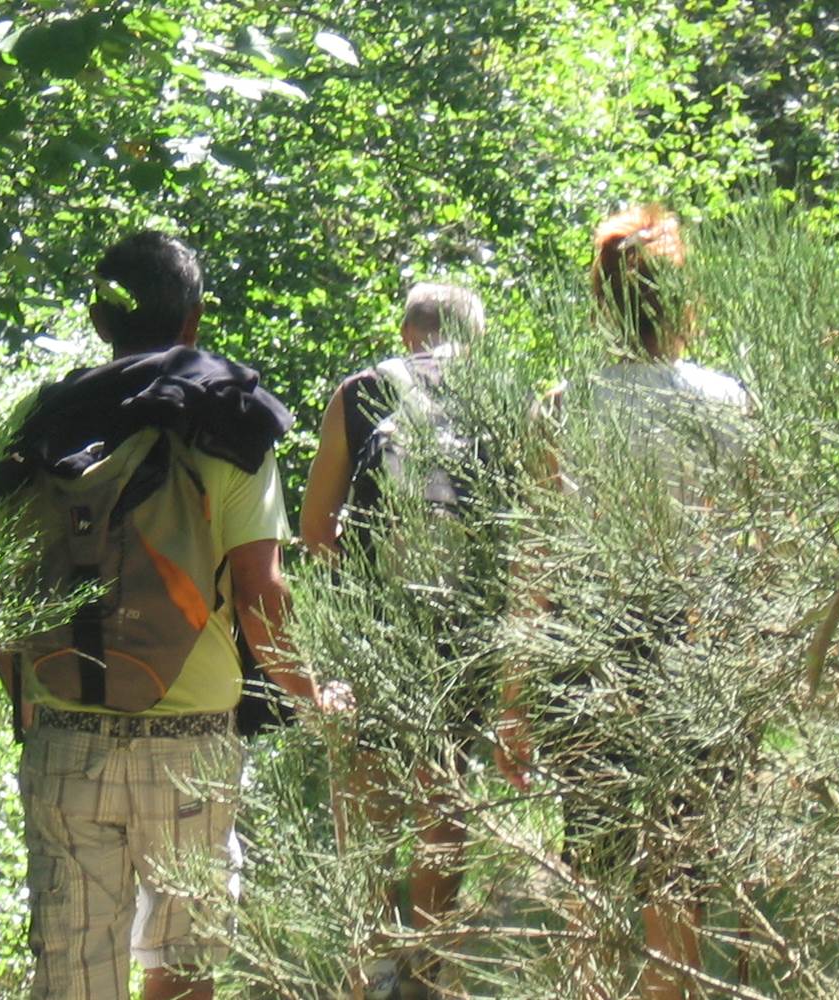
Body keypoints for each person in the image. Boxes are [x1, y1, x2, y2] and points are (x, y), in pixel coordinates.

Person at [0, 230, 341, 1000]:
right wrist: (312, 696)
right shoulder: (229, 422)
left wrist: (27, 702)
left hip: (67, 733)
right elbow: (261, 596)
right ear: (193, 319)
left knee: (74, 975)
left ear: (99, 319)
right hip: (191, 745)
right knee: (182, 968)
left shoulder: (42, 419)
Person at [494, 204, 750, 1000]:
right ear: (683, 301)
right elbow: (756, 554)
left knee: (595, 863)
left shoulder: (563, 407)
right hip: (693, 653)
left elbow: (534, 563)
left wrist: (514, 700)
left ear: (603, 302)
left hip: (588, 656)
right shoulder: (725, 401)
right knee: (677, 870)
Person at [297, 282, 488, 995]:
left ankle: (371, 973)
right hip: (459, 634)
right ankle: (427, 972)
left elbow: (316, 529)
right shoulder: (495, 396)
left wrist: (353, 597)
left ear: (407, 333)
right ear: (473, 340)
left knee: (366, 803)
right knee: (443, 799)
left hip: (373, 629)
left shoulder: (361, 393)